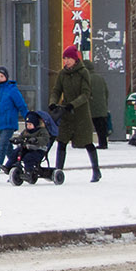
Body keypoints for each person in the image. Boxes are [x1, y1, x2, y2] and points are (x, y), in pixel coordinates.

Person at [48, 44, 101, 182]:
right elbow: (56, 90)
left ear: (75, 59)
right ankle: (58, 171)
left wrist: (73, 104)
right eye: (64, 58)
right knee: (62, 141)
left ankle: (96, 170)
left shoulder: (83, 73)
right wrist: (53, 102)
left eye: (68, 58)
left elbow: (86, 94)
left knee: (87, 142)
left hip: (81, 114)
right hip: (66, 113)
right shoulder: (62, 74)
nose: (66, 61)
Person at [0, 66, 29, 171]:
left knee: (1, 148)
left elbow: (21, 105)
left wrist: (28, 119)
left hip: (9, 123)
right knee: (9, 149)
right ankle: (15, 169)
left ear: (6, 77)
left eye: (2, 76)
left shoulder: (11, 89)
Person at [1, 111, 54, 178]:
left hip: (38, 150)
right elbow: (21, 137)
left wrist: (36, 140)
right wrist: (16, 139)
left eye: (30, 125)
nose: (28, 126)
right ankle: (8, 166)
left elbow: (44, 139)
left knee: (28, 158)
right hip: (27, 148)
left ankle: (29, 172)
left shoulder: (42, 131)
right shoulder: (26, 131)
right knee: (16, 152)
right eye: (27, 124)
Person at [83, 56, 111, 149]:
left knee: (86, 126)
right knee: (101, 127)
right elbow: (106, 92)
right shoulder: (100, 77)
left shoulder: (86, 78)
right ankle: (103, 143)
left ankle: (85, 142)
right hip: (101, 107)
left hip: (91, 106)